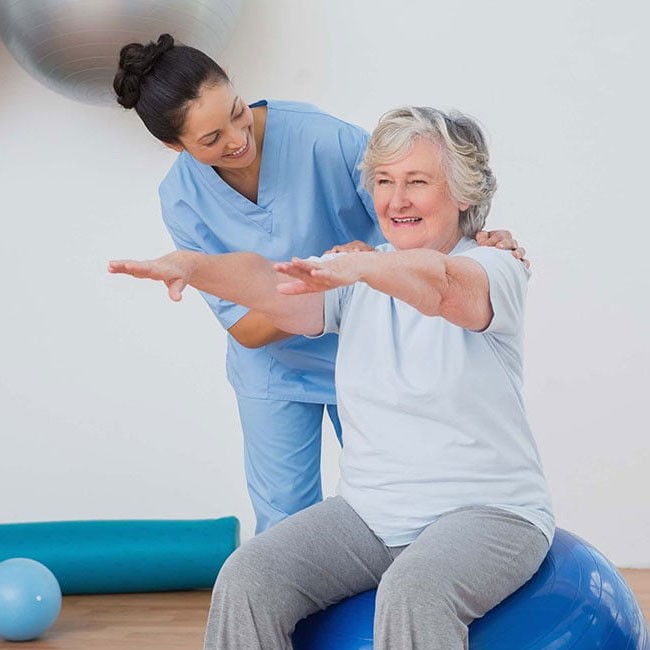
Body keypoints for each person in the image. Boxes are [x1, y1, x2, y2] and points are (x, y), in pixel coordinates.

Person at [109, 105, 554, 650]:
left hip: (490, 513)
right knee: (249, 575)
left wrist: (362, 267)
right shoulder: (358, 272)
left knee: (414, 591)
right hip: (370, 517)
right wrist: (194, 266)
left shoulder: (494, 267)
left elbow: (441, 286)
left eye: (417, 182)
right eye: (384, 181)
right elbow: (269, 285)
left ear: (463, 194)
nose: (395, 200)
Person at [113, 33, 527, 534]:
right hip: (276, 371)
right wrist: (326, 285)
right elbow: (245, 328)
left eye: (238, 112)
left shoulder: (324, 140)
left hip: (377, 350)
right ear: (173, 146)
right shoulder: (182, 198)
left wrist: (478, 240)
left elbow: (418, 218)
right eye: (211, 139)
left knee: (401, 512)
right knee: (284, 526)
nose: (237, 138)